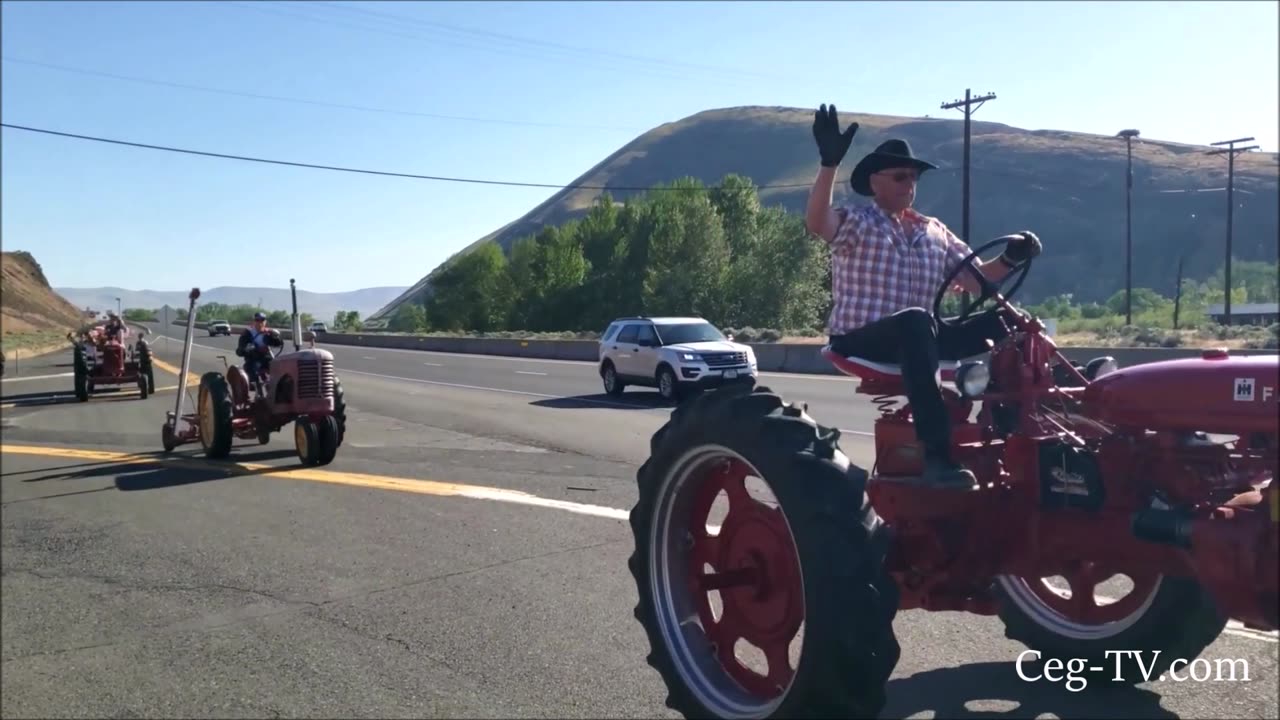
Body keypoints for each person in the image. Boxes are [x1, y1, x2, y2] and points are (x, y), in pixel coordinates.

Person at [804, 103, 1042, 489]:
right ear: (875, 183)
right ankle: (937, 456)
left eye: (913, 178)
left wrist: (1012, 258)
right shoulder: (857, 222)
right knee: (916, 320)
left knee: (1013, 323)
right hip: (864, 339)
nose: (909, 185)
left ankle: (1031, 426)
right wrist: (829, 164)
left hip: (923, 337)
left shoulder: (934, 231)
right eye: (900, 177)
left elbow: (979, 280)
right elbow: (818, 222)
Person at [237, 312, 283, 387]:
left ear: (265, 322)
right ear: (254, 322)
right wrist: (247, 349)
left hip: (267, 358)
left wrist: (275, 336)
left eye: (262, 320)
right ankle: (256, 390)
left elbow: (278, 343)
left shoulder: (268, 333)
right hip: (253, 359)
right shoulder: (247, 333)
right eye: (257, 320)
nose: (260, 323)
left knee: (279, 370)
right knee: (252, 372)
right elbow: (239, 351)